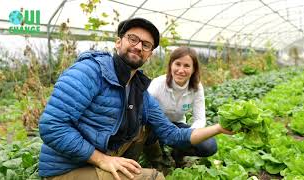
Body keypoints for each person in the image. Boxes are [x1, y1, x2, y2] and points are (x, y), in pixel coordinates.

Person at [38, 17, 233, 180]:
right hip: (67, 167)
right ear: (118, 42)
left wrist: (219, 128)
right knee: (154, 178)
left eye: (146, 45)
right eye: (133, 39)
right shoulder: (89, 71)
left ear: (149, 54)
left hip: (104, 154)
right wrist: (101, 159)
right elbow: (52, 126)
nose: (139, 46)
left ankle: (150, 163)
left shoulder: (139, 90)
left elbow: (171, 134)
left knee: (145, 127)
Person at [145, 46, 217, 168]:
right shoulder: (158, 84)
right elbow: (144, 109)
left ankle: (178, 153)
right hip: (155, 126)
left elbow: (199, 119)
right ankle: (158, 160)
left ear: (194, 69)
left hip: (177, 125)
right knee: (146, 133)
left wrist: (187, 136)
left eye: (187, 66)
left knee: (209, 145)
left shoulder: (197, 88)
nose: (181, 70)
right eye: (177, 64)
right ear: (170, 65)